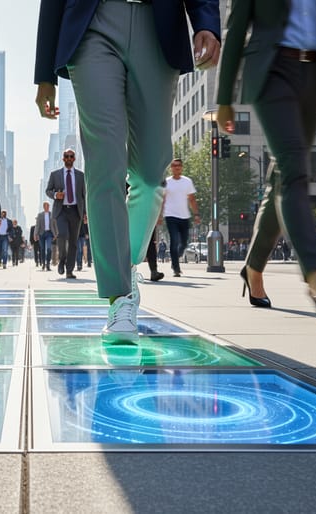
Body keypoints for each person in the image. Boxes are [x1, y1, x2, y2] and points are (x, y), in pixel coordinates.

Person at [35, 0, 221, 340]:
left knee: (150, 177)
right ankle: (119, 295)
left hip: (158, 24)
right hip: (93, 25)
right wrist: (44, 73)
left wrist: (206, 22)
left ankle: (127, 261)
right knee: (104, 163)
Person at [217, 0, 316, 316]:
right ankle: (315, 275)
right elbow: (235, 30)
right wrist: (224, 98)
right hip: (273, 69)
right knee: (294, 169)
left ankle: (252, 267)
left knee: (282, 174)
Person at [45, 149, 86, 279]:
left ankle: (69, 270)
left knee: (73, 242)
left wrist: (85, 213)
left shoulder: (81, 175)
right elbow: (48, 190)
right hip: (61, 210)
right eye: (66, 156)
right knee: (62, 235)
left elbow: (84, 196)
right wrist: (56, 195)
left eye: (71, 156)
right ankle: (62, 260)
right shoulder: (55, 174)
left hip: (75, 211)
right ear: (63, 159)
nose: (68, 158)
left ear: (74, 158)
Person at [162, 158, 200, 278]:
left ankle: (175, 259)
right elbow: (162, 200)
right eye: (174, 165)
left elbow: (192, 199)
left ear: (182, 167)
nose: (176, 167)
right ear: (171, 168)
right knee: (174, 241)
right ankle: (176, 268)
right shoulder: (166, 182)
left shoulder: (187, 181)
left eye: (178, 165)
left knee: (183, 243)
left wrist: (196, 214)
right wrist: (159, 215)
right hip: (170, 215)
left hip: (184, 216)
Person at [35, 201, 56, 272]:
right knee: (42, 249)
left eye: (48, 206)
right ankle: (43, 263)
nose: (47, 207)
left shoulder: (52, 214)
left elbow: (54, 225)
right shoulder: (40, 215)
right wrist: (35, 234)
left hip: (49, 233)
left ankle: (48, 264)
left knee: (49, 249)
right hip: (41, 234)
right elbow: (37, 225)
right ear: (43, 207)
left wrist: (55, 234)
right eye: (45, 206)